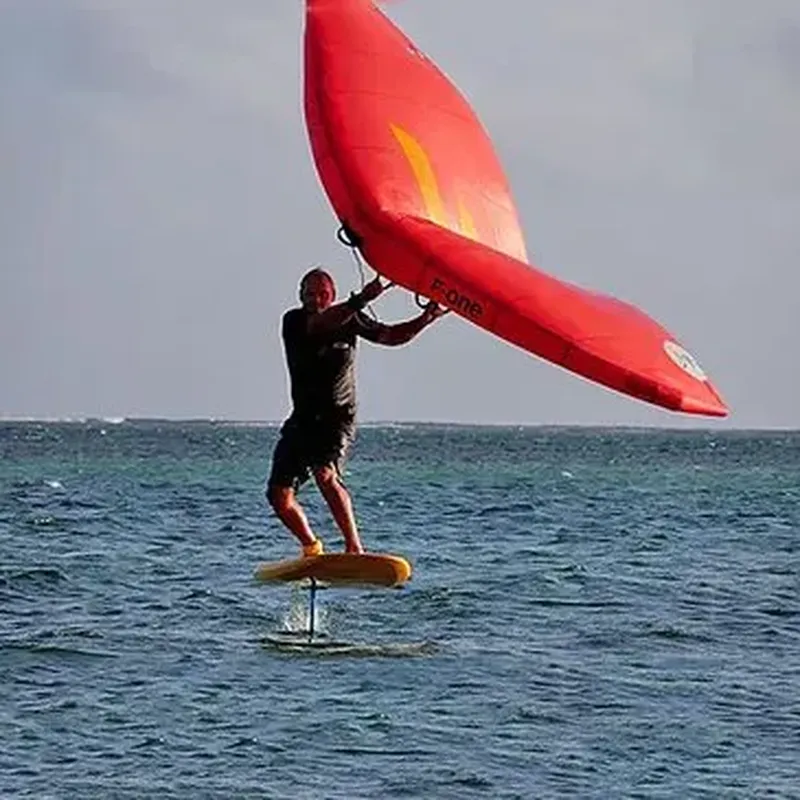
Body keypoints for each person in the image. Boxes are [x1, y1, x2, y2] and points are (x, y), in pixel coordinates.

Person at [266, 267, 446, 557]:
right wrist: (361, 298)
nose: (315, 299)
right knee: (278, 496)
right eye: (309, 293)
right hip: (302, 419)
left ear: (332, 295)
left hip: (337, 417)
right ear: (300, 296)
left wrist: (426, 318)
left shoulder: (351, 319)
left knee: (325, 473)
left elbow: (390, 336)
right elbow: (320, 326)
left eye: (322, 294)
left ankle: (354, 546)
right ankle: (311, 547)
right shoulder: (294, 321)